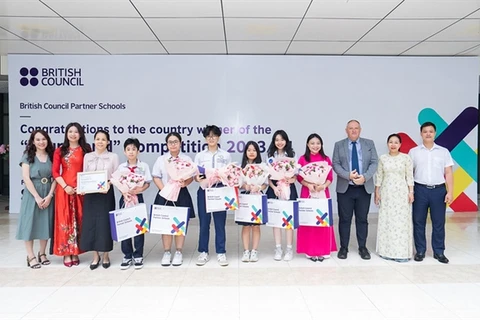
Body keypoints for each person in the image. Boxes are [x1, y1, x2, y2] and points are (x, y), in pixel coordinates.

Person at [332, 120, 378, 260]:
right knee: (344, 219)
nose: (353, 131)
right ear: (346, 130)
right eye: (350, 128)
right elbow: (335, 164)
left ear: (360, 130)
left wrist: (365, 177)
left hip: (364, 187)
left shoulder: (369, 144)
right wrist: (348, 175)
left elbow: (374, 162)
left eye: (356, 128)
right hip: (345, 188)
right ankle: (343, 248)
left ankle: (362, 247)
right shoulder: (339, 145)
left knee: (362, 219)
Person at [408, 122, 454, 264]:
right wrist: (411, 192)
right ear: (421, 133)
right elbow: (409, 174)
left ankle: (439, 252)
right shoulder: (413, 152)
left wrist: (450, 192)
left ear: (435, 133)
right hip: (420, 189)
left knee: (439, 222)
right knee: (418, 221)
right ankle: (420, 251)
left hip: (439, 191)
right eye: (425, 131)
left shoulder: (443, 151)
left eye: (431, 131)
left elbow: (448, 173)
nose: (428, 134)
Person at [152, 133, 195, 267]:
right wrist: (165, 190)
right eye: (170, 142)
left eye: (175, 142)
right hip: (164, 194)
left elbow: (191, 176)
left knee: (179, 224)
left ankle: (178, 252)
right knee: (165, 224)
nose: (173, 144)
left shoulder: (186, 158)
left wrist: (185, 183)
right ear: (166, 144)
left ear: (180, 143)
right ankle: (166, 252)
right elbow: (156, 176)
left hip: (181, 194)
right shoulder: (161, 159)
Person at [52, 122, 91, 267]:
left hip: (81, 190)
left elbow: (89, 170)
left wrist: (84, 186)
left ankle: (76, 251)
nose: (73, 134)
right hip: (64, 190)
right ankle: (66, 253)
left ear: (80, 134)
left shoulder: (86, 150)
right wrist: (66, 186)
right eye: (70, 131)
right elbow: (55, 172)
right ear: (66, 134)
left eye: (76, 132)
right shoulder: (60, 150)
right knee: (65, 220)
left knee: (78, 219)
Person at [16, 130, 56, 269]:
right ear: (33, 141)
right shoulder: (28, 156)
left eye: (44, 139)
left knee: (45, 223)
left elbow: (55, 177)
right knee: (30, 224)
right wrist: (37, 197)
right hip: (33, 193)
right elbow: (26, 178)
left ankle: (42, 253)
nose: (41, 142)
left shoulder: (52, 155)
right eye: (38, 139)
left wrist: (50, 195)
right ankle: (31, 256)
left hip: (48, 192)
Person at [80, 130, 119, 270]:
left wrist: (108, 184)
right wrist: (82, 186)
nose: (100, 142)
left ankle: (106, 254)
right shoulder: (88, 156)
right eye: (98, 139)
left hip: (106, 193)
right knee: (91, 223)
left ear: (108, 142)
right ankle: (95, 255)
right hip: (90, 194)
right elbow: (84, 174)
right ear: (94, 141)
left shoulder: (113, 157)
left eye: (103, 139)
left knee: (104, 224)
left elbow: (116, 175)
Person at [194, 125, 231, 266]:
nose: (211, 138)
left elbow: (229, 174)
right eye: (208, 136)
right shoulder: (200, 156)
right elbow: (196, 174)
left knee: (220, 223)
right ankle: (203, 252)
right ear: (205, 138)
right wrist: (198, 178)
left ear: (218, 137)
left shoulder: (225, 155)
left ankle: (221, 252)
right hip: (204, 191)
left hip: (220, 191)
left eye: (214, 135)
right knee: (204, 223)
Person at [297, 133, 337, 261]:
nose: (315, 146)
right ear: (307, 145)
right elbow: (299, 177)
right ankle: (310, 250)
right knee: (309, 220)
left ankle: (324, 250)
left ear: (321, 145)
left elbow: (330, 177)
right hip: (308, 193)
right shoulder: (303, 159)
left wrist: (323, 186)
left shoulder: (326, 159)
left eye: (318, 143)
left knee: (322, 220)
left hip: (322, 193)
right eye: (312, 143)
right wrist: (308, 184)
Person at [374, 134, 414, 262]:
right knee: (387, 222)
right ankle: (386, 251)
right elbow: (379, 176)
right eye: (390, 142)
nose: (393, 144)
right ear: (387, 144)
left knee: (401, 223)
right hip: (386, 194)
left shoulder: (406, 158)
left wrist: (411, 192)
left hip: (401, 194)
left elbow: (409, 176)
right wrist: (377, 192)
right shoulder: (383, 158)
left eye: (396, 142)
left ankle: (401, 253)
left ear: (400, 145)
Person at [116, 138, 152, 270]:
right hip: (125, 198)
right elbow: (118, 182)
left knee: (139, 227)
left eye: (134, 149)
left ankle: (138, 255)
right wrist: (124, 192)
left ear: (138, 151)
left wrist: (141, 189)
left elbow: (148, 182)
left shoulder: (144, 166)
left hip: (138, 197)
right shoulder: (121, 167)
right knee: (125, 226)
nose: (131, 152)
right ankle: (127, 255)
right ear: (124, 152)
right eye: (128, 149)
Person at [265, 130, 298, 261]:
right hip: (274, 189)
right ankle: (278, 248)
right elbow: (267, 176)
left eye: (282, 139)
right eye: (277, 140)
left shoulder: (292, 155)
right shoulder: (270, 157)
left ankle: (289, 249)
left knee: (289, 220)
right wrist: (273, 187)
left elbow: (296, 173)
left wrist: (292, 179)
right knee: (276, 220)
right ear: (274, 142)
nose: (279, 142)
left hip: (289, 189)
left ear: (286, 141)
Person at [238, 141, 267, 263]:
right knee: (246, 225)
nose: (251, 152)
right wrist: (245, 186)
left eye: (254, 150)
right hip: (245, 198)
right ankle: (246, 251)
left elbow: (265, 184)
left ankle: (254, 251)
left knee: (255, 226)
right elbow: (238, 183)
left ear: (257, 152)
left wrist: (259, 188)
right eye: (249, 150)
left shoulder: (263, 167)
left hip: (257, 198)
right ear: (245, 152)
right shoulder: (241, 168)